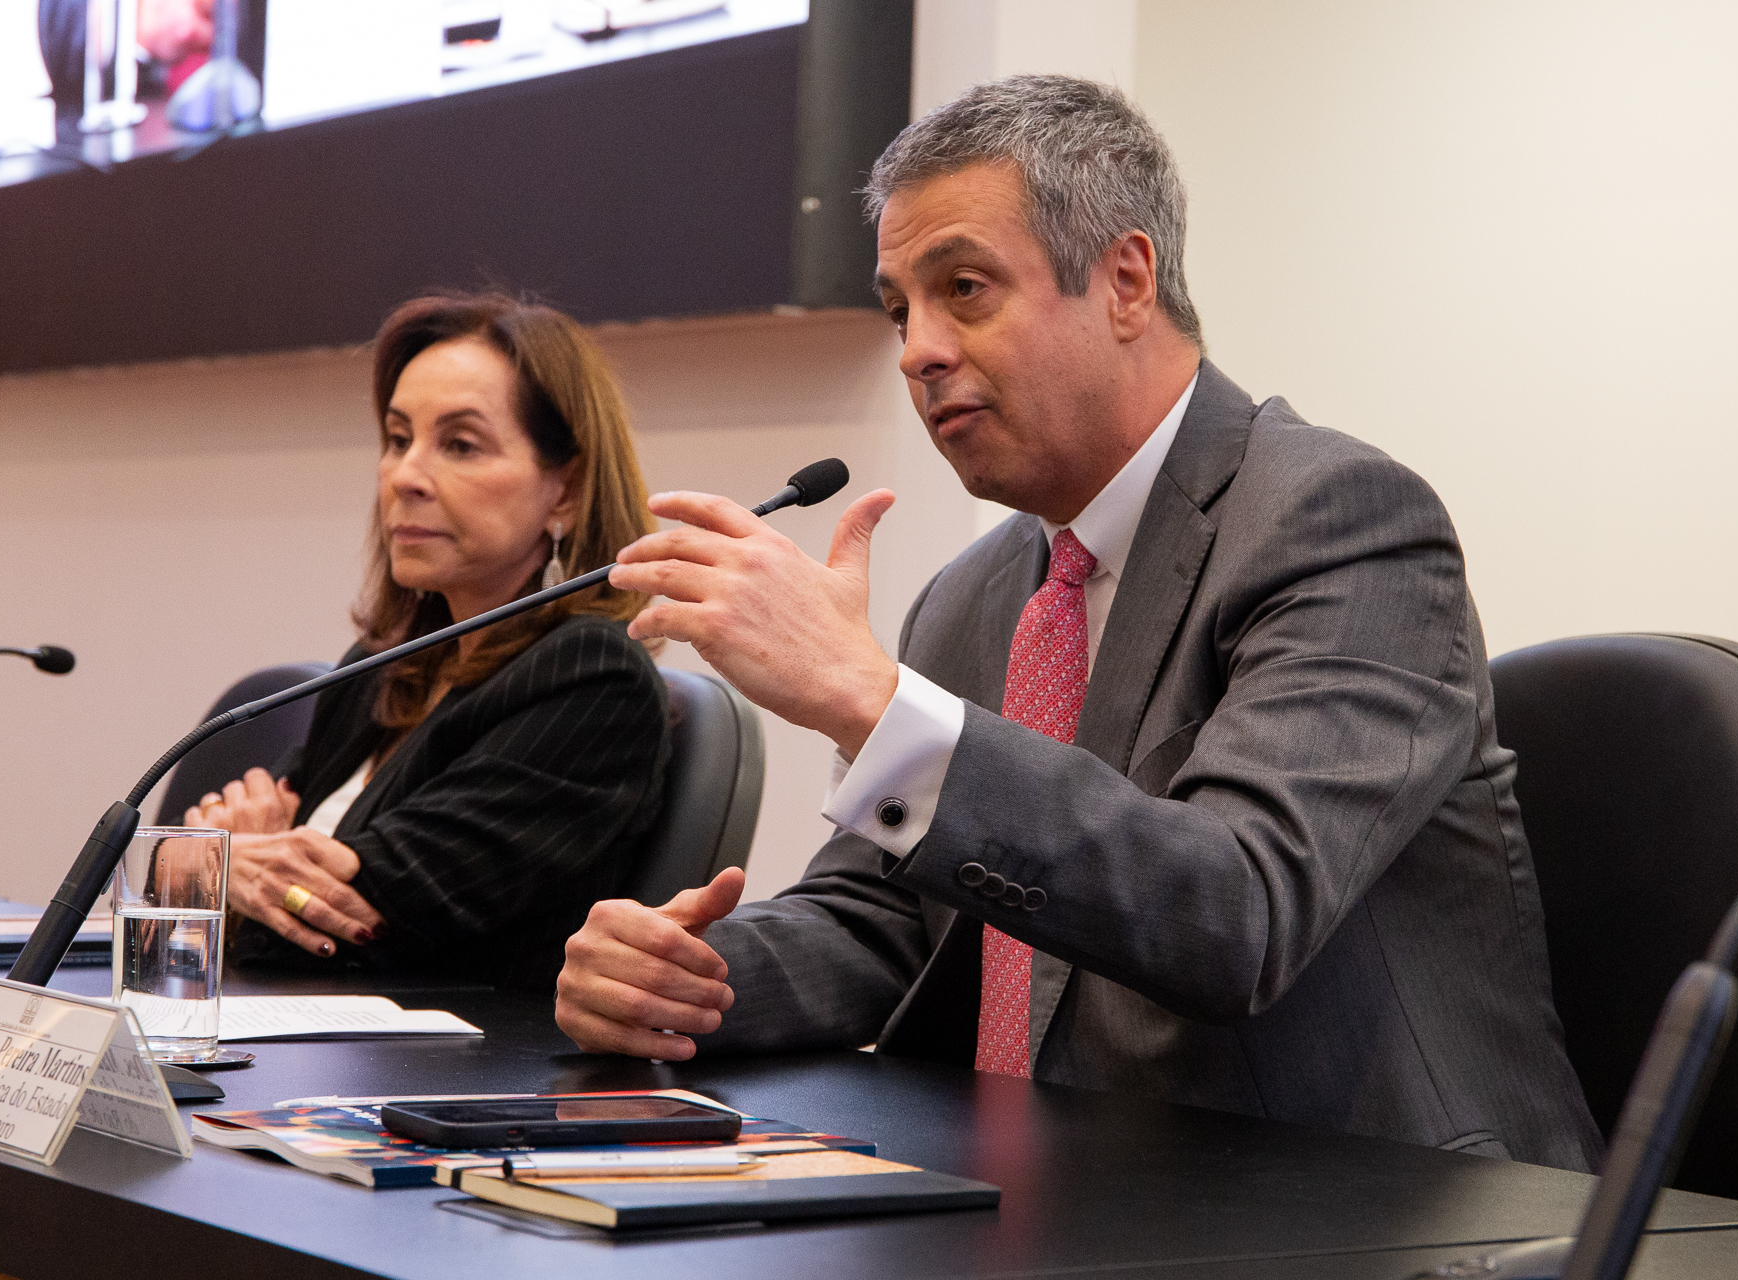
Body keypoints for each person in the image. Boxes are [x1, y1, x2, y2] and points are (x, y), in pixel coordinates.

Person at [553, 75, 1604, 1171]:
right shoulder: (975, 593)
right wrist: (693, 979)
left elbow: (1237, 907)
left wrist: (873, 703)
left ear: (1126, 280)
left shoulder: (1342, 522)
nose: (917, 348)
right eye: (900, 308)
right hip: (1069, 1190)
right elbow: (893, 919)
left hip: (1367, 1202)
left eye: (964, 288)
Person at [187, 292, 670, 992]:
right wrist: (242, 865)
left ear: (564, 490)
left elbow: (361, 924)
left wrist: (235, 865)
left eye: (460, 444)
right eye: (397, 439)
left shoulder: (593, 676)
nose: (405, 476)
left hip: (442, 1079)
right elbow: (212, 873)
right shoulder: (380, 668)